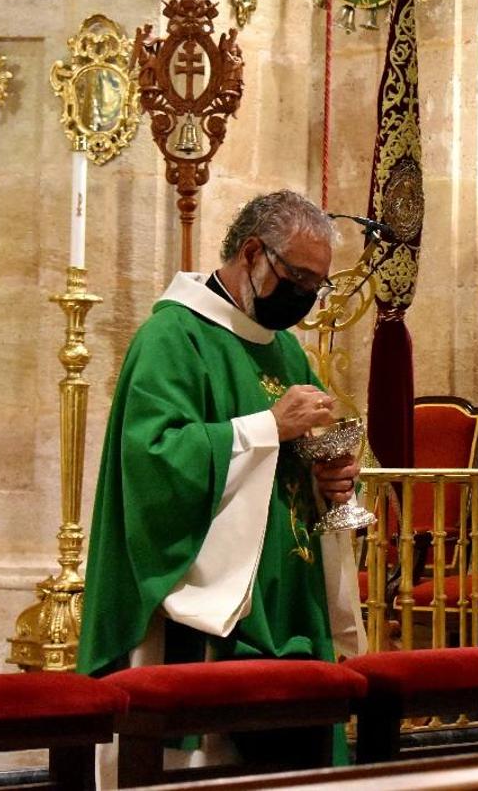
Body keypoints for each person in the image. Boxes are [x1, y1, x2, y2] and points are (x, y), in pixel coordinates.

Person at [78, 190, 365, 765]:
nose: (307, 297)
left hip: (284, 599)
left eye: (318, 286)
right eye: (299, 279)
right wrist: (267, 427)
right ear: (253, 254)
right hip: (210, 606)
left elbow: (287, 466)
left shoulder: (284, 349)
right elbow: (154, 459)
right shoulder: (173, 337)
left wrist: (328, 481)